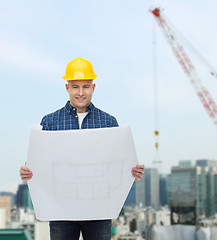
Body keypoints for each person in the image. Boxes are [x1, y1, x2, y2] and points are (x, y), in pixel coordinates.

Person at [19, 57, 145, 240]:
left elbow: (118, 165)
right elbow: (38, 164)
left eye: (86, 86)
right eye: (75, 87)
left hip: (99, 210)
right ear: (67, 88)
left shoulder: (108, 122)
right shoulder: (50, 122)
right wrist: (27, 171)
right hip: (60, 210)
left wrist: (133, 171)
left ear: (93, 88)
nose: (80, 92)